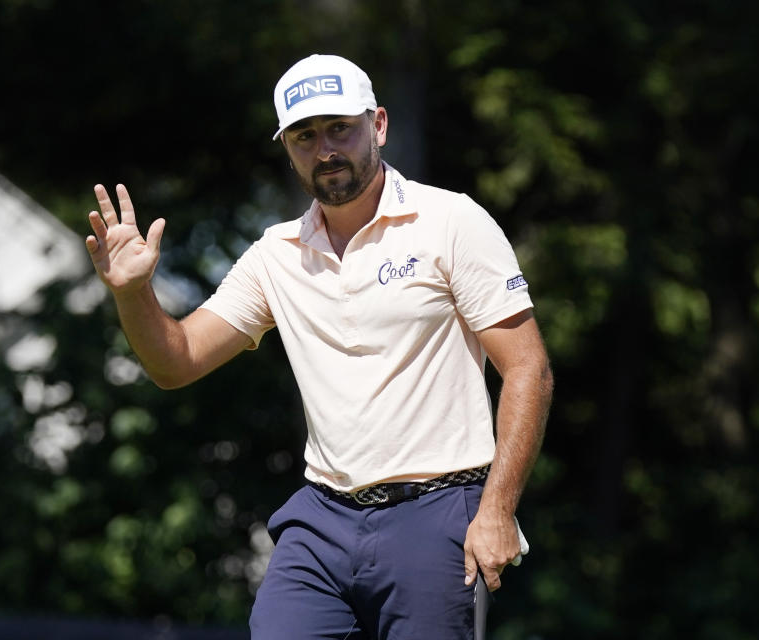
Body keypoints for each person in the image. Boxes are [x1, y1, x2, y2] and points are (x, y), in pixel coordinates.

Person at [85, 54, 553, 640]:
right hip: (323, 520)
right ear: (287, 148)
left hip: (438, 515)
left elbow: (528, 370)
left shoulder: (451, 221)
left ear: (378, 125)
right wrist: (133, 294)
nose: (325, 148)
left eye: (340, 128)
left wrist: (498, 510)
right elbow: (176, 362)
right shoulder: (276, 253)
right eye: (305, 136)